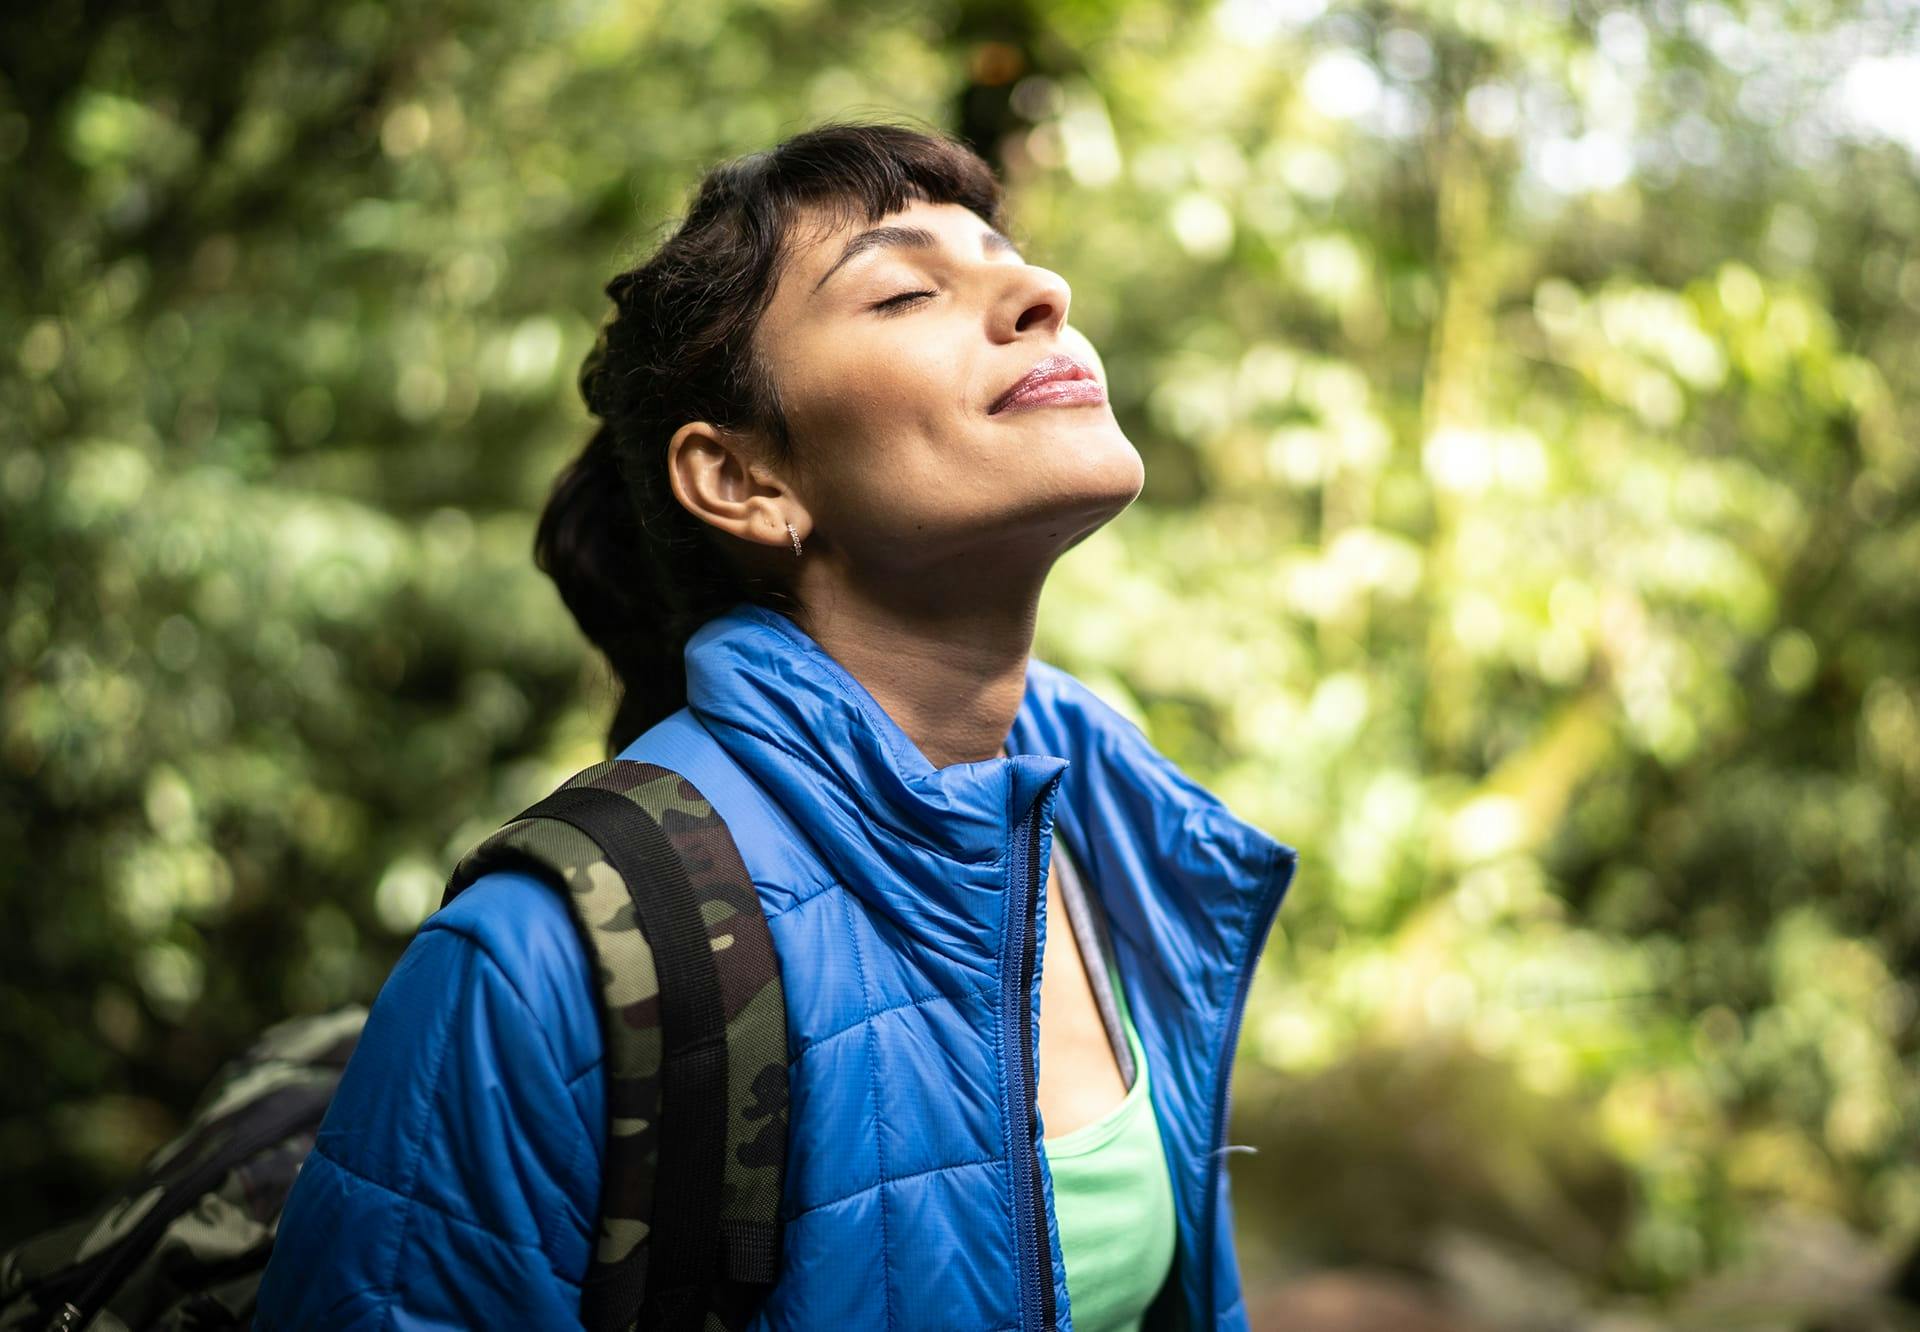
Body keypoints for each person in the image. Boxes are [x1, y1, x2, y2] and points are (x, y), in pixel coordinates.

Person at [254, 117, 1296, 1332]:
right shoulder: (545, 965)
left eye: (1007, 254)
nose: (1041, 290)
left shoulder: (1117, 835)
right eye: (906, 290)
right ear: (745, 482)